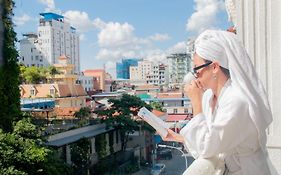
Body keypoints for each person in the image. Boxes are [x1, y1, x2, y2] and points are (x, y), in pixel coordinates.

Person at [161, 30, 277, 175]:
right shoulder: (209, 97)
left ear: (215, 67)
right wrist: (179, 138)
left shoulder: (237, 101)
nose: (195, 76)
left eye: (197, 70)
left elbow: (207, 147)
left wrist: (195, 103)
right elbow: (210, 142)